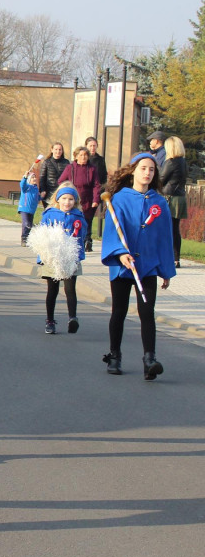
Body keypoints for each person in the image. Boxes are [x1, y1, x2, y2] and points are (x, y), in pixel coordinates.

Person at [100, 153, 175, 379]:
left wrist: (166, 269)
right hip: (123, 266)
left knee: (147, 312)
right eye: (143, 168)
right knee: (119, 312)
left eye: (152, 170)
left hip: (148, 265)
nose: (147, 173)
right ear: (133, 170)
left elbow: (165, 238)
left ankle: (149, 359)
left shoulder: (159, 202)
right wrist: (120, 253)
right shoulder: (119, 199)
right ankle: (114, 356)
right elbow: (113, 229)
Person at [38, 186, 87, 335]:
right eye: (64, 198)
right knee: (52, 290)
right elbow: (41, 237)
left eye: (71, 199)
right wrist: (42, 257)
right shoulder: (49, 214)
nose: (67, 202)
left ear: (76, 201)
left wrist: (78, 257)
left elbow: (81, 238)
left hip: (70, 258)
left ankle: (73, 317)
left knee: (70, 289)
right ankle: (50, 320)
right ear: (57, 199)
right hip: (52, 258)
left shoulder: (78, 217)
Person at [56, 145, 101, 252]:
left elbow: (96, 185)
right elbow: (61, 181)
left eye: (85, 155)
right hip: (73, 200)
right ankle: (71, 241)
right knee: (73, 220)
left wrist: (96, 200)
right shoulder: (70, 168)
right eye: (81, 155)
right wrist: (67, 194)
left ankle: (87, 242)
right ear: (76, 156)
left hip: (87, 200)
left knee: (86, 222)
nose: (83, 157)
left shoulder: (92, 169)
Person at [160, 136, 188, 269]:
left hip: (169, 197)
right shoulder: (183, 161)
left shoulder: (170, 162)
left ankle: (167, 256)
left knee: (167, 228)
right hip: (180, 197)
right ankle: (176, 258)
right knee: (175, 229)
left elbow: (161, 179)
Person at [38, 142, 69, 209]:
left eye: (60, 149)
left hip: (61, 193)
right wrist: (42, 190)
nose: (58, 151)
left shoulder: (66, 162)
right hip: (49, 194)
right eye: (56, 149)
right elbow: (42, 178)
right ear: (52, 150)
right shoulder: (47, 162)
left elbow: (69, 178)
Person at [18, 170, 39, 246]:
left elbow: (37, 198)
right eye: (32, 177)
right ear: (29, 179)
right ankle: (23, 239)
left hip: (32, 210)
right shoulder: (26, 187)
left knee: (29, 225)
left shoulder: (35, 189)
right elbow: (22, 185)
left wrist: (42, 196)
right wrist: (25, 177)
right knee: (26, 223)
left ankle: (27, 239)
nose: (34, 179)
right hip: (24, 208)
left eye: (35, 177)